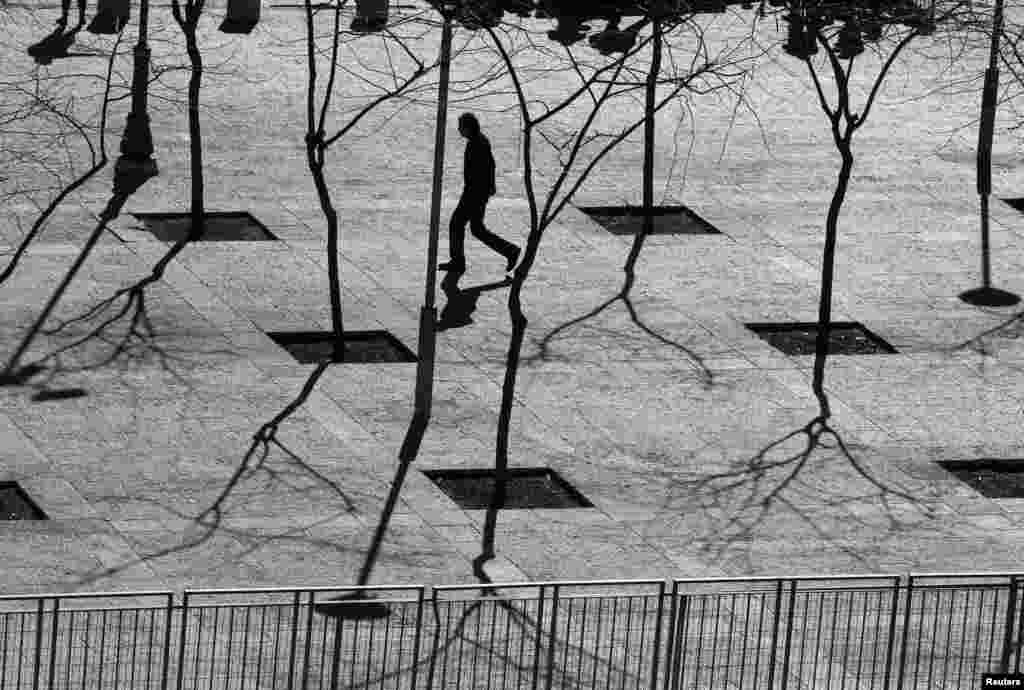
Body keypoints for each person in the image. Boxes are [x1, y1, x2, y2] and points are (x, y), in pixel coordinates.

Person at [439, 113, 520, 274]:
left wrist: (484, 188)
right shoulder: (478, 140)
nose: (459, 130)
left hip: (474, 193)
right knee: (477, 229)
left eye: (461, 126)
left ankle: (458, 262)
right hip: (477, 192)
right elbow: (491, 165)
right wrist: (490, 186)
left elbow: (488, 167)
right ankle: (510, 251)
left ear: (468, 127)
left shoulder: (477, 143)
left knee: (456, 224)